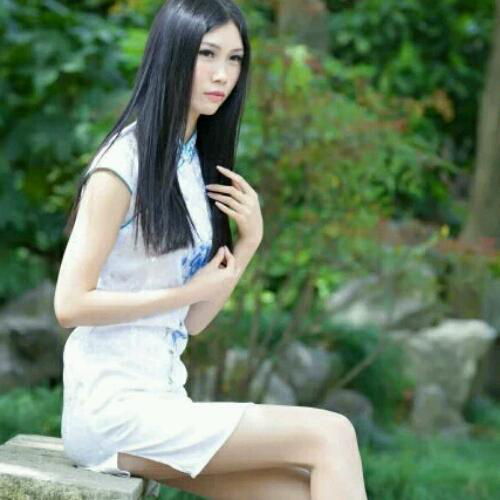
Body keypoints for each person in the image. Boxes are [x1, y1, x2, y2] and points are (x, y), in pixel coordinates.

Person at [54, 1, 368, 498]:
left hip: (162, 399)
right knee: (332, 433)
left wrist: (248, 243)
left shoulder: (193, 165)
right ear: (172, 55)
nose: (223, 74)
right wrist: (183, 293)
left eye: (235, 59)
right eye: (207, 54)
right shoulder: (121, 166)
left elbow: (194, 321)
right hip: (111, 409)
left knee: (298, 492)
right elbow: (70, 304)